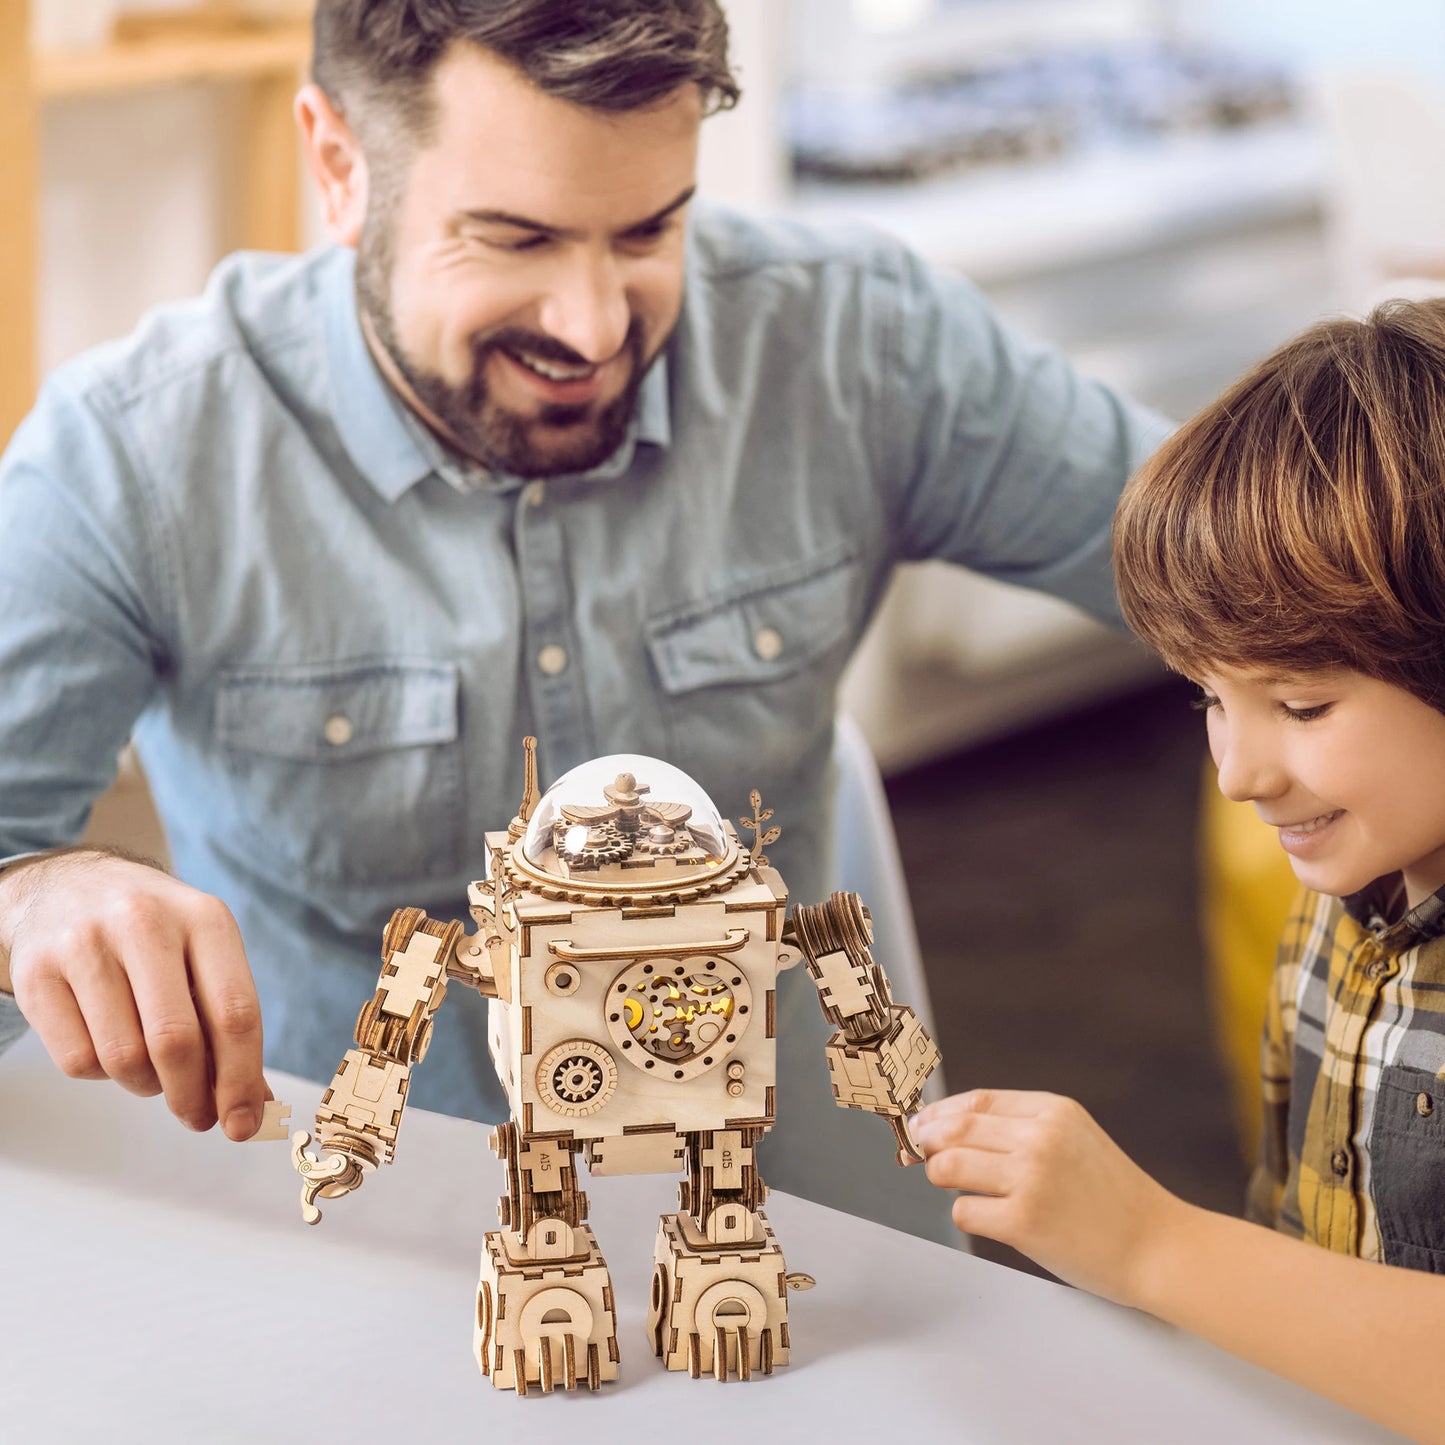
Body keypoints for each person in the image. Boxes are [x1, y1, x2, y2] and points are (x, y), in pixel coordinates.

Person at [0, 0, 1166, 1245]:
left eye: (649, 229)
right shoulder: (133, 453)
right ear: (339, 167)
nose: (595, 326)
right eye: (515, 238)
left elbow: (1257, 569)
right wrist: (30, 897)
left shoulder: (857, 343)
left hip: (813, 1255)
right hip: (383, 1260)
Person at [912, 300, 1445, 1439]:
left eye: (1299, 703)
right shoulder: (1347, 897)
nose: (1237, 773)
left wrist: (1149, 1242)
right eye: (1208, 696)